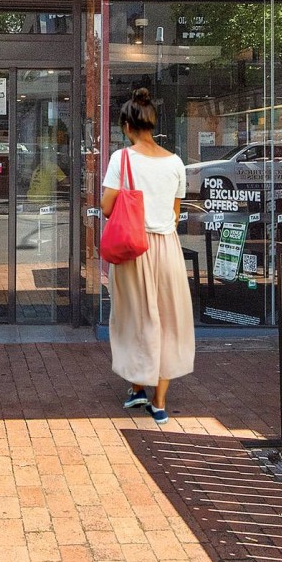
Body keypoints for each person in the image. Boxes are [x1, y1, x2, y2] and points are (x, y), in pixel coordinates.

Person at [101, 88, 193, 424]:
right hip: (167, 249)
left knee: (134, 318)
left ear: (127, 126)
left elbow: (107, 207)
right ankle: (158, 401)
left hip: (133, 249)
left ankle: (138, 387)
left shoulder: (121, 159)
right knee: (167, 320)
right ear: (152, 123)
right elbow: (175, 212)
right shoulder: (175, 162)